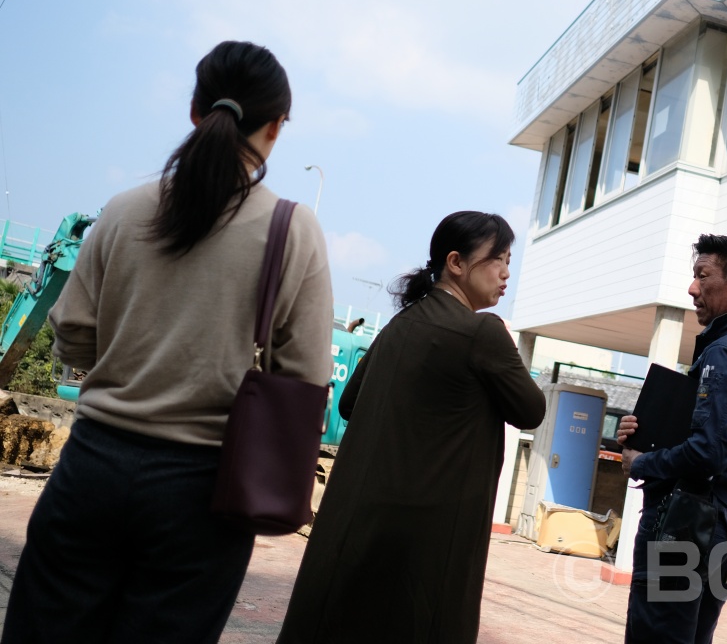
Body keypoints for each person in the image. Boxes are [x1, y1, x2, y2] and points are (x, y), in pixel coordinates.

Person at [1, 41, 334, 644]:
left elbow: (72, 331)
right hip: (205, 492)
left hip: (91, 468)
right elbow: (305, 375)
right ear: (276, 128)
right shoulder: (294, 230)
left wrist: (131, 365)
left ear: (194, 110)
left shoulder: (124, 210)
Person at [277, 211, 547, 644]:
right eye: (497, 259)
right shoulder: (482, 333)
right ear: (456, 262)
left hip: (354, 526)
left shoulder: (399, 325)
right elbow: (532, 410)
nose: (506, 273)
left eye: (509, 261)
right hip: (428, 541)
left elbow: (349, 403)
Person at [618, 233, 727, 644]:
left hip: (687, 524)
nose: (692, 288)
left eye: (703, 276)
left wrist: (639, 462)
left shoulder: (725, 352)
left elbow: (708, 452)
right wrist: (649, 432)